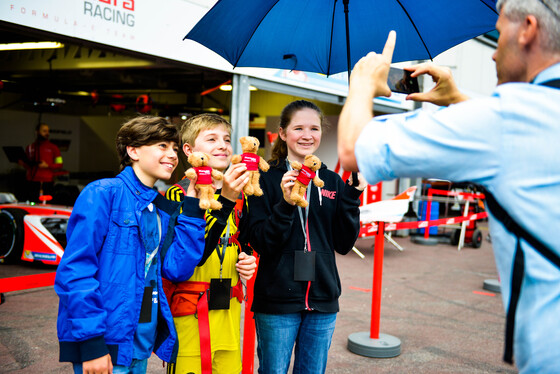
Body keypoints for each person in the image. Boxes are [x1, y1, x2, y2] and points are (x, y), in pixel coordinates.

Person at [337, 0, 560, 372]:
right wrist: (458, 101)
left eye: (500, 29)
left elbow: (352, 149)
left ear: (528, 29)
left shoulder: (506, 116)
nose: (492, 57)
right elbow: (519, 135)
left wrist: (361, 84)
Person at [54, 115, 206, 374]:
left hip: (140, 344)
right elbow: (75, 272)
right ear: (133, 150)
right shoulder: (103, 193)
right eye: (162, 146)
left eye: (175, 148)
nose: (172, 155)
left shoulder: (160, 208)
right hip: (106, 343)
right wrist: (92, 345)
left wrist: (192, 208)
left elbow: (177, 269)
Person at [246, 100, 366, 373]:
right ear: (282, 133)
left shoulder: (332, 181)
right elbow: (261, 241)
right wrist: (286, 204)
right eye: (298, 128)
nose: (307, 135)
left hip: (323, 298)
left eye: (314, 128)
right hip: (276, 300)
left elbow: (344, 244)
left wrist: (352, 197)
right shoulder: (265, 178)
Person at [163, 113, 257, 374]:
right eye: (212, 138)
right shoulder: (177, 194)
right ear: (189, 150)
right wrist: (225, 198)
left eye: (227, 139)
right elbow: (193, 254)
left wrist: (248, 259)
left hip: (228, 310)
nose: (223, 145)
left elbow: (244, 241)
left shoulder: (240, 195)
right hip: (189, 312)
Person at [21, 122, 63, 202]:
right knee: (32, 203)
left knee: (48, 204)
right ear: (37, 132)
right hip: (32, 181)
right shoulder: (30, 147)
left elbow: (60, 164)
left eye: (48, 131)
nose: (47, 133)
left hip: (47, 182)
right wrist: (22, 163)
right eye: (44, 131)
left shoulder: (54, 148)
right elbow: (27, 165)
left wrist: (47, 165)